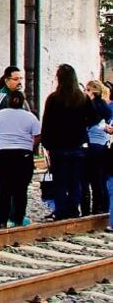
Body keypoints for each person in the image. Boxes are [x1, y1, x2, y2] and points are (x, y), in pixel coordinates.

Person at [41, 64, 99, 219]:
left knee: (59, 181)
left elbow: (46, 123)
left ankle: (61, 211)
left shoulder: (53, 99)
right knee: (75, 181)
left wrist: (47, 144)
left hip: (58, 147)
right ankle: (74, 210)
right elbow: (94, 117)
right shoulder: (83, 98)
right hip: (77, 145)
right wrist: (81, 125)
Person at [0, 90, 40, 228]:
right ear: (23, 102)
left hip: (4, 154)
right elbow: (38, 135)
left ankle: (2, 220)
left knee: (4, 189)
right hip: (23, 155)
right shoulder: (30, 117)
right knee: (21, 190)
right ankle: (18, 218)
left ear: (9, 101)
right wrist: (30, 146)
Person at [81, 80, 112, 215]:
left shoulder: (89, 107)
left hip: (88, 145)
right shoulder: (105, 107)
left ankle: (86, 210)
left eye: (87, 90)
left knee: (85, 180)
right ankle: (101, 208)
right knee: (99, 180)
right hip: (102, 146)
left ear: (92, 91)